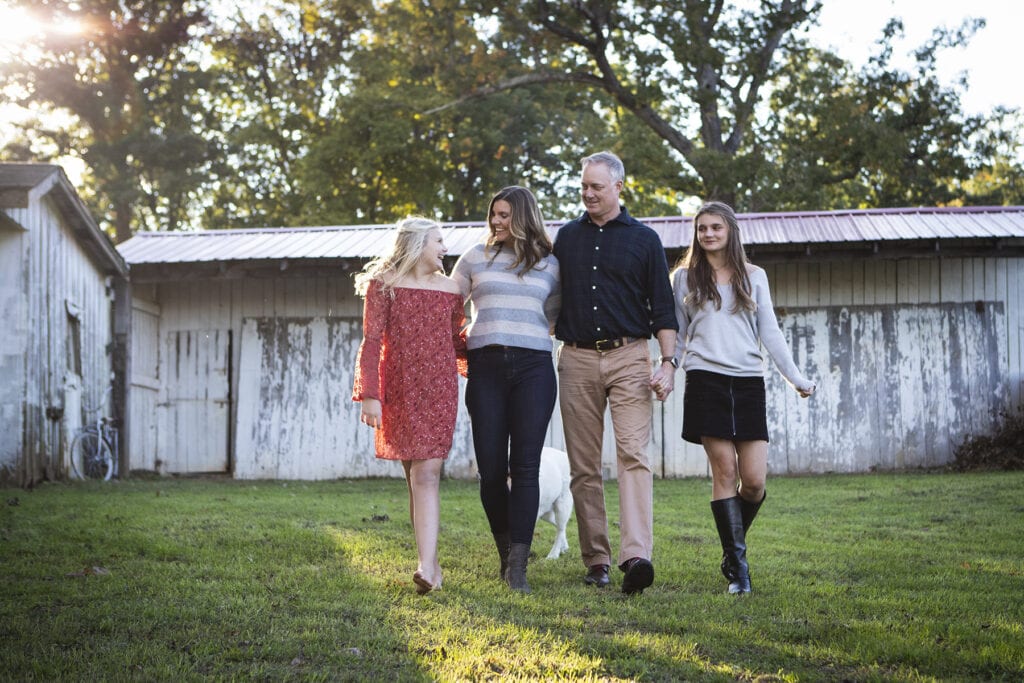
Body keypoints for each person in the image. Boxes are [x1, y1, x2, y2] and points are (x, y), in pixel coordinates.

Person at [672, 200, 816, 595]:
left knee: (753, 482)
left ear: (731, 231)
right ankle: (739, 571)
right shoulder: (684, 279)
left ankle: (730, 551)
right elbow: (679, 334)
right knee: (725, 473)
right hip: (705, 380)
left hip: (748, 382)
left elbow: (770, 333)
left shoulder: (755, 276)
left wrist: (796, 379)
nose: (708, 234)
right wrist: (667, 367)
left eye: (716, 227)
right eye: (702, 228)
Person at [553, 151, 678, 595]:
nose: (587, 193)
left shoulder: (645, 241)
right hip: (577, 359)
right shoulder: (565, 238)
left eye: (596, 187)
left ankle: (636, 556)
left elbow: (663, 308)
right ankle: (597, 559)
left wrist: (668, 363)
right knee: (584, 464)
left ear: (619, 187)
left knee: (633, 454)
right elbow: (548, 297)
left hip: (630, 357)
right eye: (583, 186)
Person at [451, 186, 561, 594]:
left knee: (526, 466)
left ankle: (519, 566)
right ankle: (503, 552)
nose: (496, 222)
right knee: (492, 470)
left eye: (504, 215)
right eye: (493, 215)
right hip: (487, 369)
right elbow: (447, 305)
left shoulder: (550, 265)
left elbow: (552, 318)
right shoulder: (473, 258)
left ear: (524, 217)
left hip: (534, 368)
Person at [352, 216, 467, 596]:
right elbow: (371, 342)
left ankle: (424, 566)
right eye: (438, 241)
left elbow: (456, 340)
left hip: (438, 390)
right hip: (399, 389)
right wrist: (371, 394)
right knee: (413, 478)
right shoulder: (383, 286)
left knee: (427, 475)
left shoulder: (452, 290)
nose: (445, 248)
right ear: (417, 245)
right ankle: (431, 564)